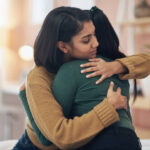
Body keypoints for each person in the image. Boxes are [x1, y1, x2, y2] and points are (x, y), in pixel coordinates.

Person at [13, 6, 149, 150]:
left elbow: (146, 61)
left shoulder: (92, 63)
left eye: (94, 35)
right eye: (86, 40)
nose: (96, 43)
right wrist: (109, 107)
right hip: (36, 146)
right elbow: (55, 137)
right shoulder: (39, 77)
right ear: (63, 47)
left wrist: (116, 66)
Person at [51, 6, 141, 150]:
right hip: (129, 140)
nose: (95, 43)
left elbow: (56, 126)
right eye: (86, 39)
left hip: (95, 139)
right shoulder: (122, 69)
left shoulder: (70, 70)